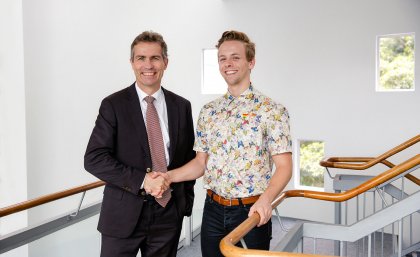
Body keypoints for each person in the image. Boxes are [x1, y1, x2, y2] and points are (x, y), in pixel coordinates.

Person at [151, 30, 293, 257]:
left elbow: (285, 167)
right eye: (222, 58)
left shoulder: (272, 111)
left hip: (251, 211)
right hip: (213, 210)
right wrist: (167, 177)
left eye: (235, 57)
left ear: (251, 62)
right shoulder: (209, 111)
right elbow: (200, 163)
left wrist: (266, 201)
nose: (228, 63)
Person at [84, 31, 196, 257]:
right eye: (141, 58)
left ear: (165, 62)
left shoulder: (181, 106)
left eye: (155, 58)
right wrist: (143, 180)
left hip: (167, 214)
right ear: (132, 63)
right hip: (122, 214)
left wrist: (183, 205)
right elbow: (94, 158)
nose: (148, 65)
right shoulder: (113, 105)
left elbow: (188, 157)